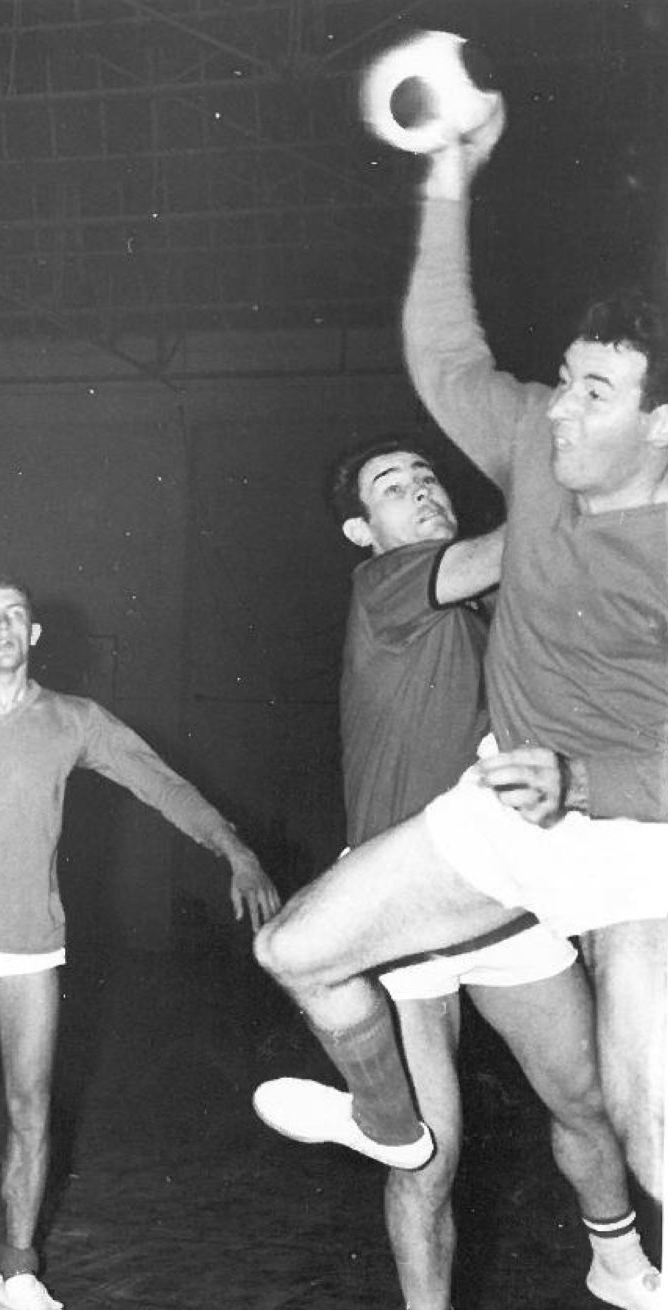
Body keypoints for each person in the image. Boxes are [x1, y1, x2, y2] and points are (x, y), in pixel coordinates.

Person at [250, 103, 668, 1217]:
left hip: (642, 829)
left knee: (648, 1126)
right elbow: (444, 352)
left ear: (660, 424)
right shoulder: (533, 441)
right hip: (506, 807)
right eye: (564, 377)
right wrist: (447, 178)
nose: (558, 408)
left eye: (594, 393)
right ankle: (390, 1121)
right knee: (295, 949)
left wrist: (587, 781)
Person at [310, 435, 655, 1310]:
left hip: (491, 885)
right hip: (396, 906)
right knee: (429, 1156)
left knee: (589, 1096)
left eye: (425, 476)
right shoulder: (388, 584)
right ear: (360, 529)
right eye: (391, 486)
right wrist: (588, 475)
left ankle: (618, 1259)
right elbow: (520, 545)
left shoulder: (492, 619)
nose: (419, 490)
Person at [0, 574, 279, 1310]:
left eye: (14, 615)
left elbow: (160, 783)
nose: (2, 627)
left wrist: (234, 850)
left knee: (31, 1108)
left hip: (32, 945)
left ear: (34, 633)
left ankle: (18, 1275)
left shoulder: (74, 720)